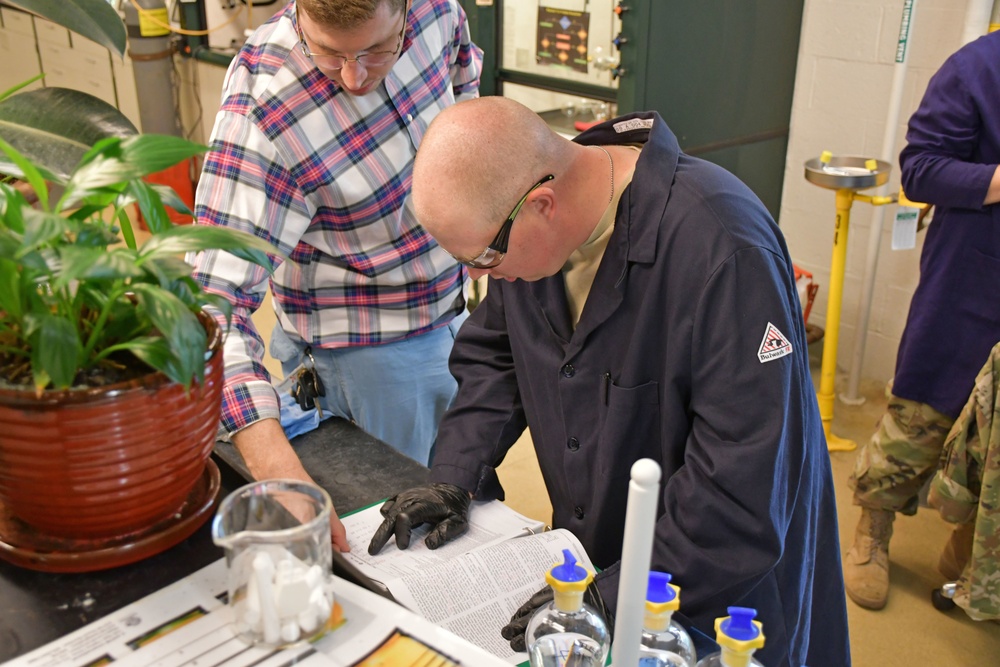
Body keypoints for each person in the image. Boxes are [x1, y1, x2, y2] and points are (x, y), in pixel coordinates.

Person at [366, 97, 851, 667]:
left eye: (483, 258)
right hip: (603, 562)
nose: (479, 275)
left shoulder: (725, 247)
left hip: (718, 598)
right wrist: (455, 475)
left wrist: (610, 600)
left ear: (541, 205)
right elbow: (496, 357)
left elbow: (742, 486)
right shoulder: (527, 232)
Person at [188, 0, 482, 551]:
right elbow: (212, 305)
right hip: (367, 362)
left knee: (466, 515)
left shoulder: (439, 13)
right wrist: (279, 470)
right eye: (327, 52)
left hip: (462, 318)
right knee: (402, 555)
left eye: (377, 50)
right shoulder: (265, 106)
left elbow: (467, 112)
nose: (354, 77)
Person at [843, 29, 1000, 611]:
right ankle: (873, 530)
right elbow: (922, 170)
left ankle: (971, 544)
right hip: (972, 281)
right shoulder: (977, 69)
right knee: (925, 412)